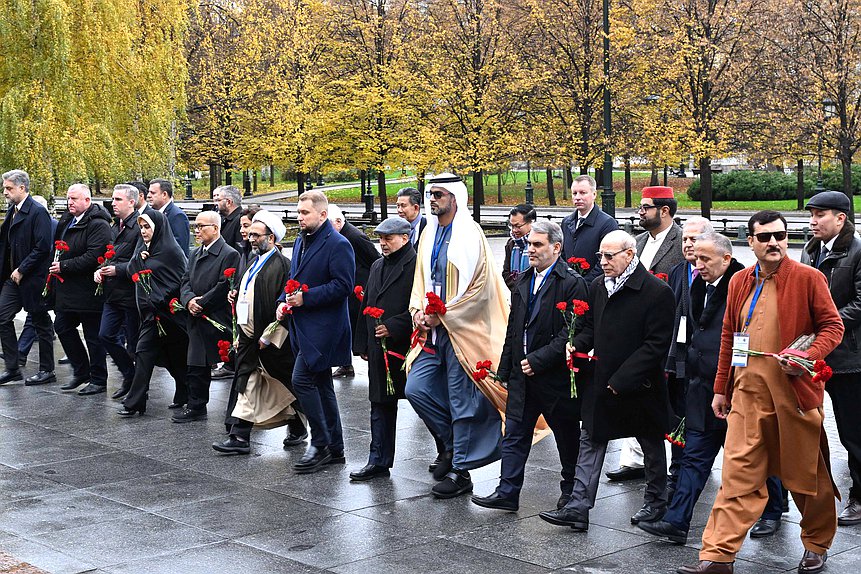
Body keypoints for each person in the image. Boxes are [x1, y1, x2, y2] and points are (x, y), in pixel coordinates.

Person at [677, 210, 844, 574]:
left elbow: (833, 326)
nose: (774, 243)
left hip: (793, 395)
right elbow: (728, 337)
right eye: (765, 237)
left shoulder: (808, 278)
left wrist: (806, 356)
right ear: (749, 242)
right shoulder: (738, 281)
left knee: (806, 477)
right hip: (746, 395)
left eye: (780, 236)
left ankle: (816, 544)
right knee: (737, 477)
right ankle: (718, 556)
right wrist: (721, 388)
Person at [539, 230, 674, 531]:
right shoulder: (599, 285)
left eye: (609, 256)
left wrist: (622, 379)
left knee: (650, 445)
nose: (603, 261)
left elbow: (655, 345)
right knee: (591, 439)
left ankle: (655, 503)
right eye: (600, 255)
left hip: (638, 385)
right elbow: (591, 328)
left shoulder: (656, 291)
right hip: (603, 381)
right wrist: (577, 344)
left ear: (629, 254)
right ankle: (577, 506)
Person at [404, 173, 509, 499]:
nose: (432, 199)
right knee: (416, 389)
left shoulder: (469, 233)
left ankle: (461, 471)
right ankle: (451, 447)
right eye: (430, 194)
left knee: (462, 402)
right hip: (430, 334)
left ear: (454, 197)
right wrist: (419, 311)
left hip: (462, 333)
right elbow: (421, 280)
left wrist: (445, 314)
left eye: (438, 194)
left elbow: (479, 288)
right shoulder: (428, 233)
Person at [471, 220, 587, 511]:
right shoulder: (523, 280)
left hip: (554, 376)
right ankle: (507, 491)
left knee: (566, 435)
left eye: (538, 244)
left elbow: (574, 332)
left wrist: (539, 360)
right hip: (523, 376)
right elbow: (515, 328)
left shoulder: (571, 282)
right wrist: (507, 368)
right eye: (529, 244)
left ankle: (570, 490)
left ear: (556, 248)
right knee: (515, 433)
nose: (530, 249)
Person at [637, 232, 744, 544]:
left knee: (754, 460)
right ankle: (677, 522)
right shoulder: (698, 284)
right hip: (700, 388)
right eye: (695, 258)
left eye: (705, 259)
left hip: (732, 390)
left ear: (726, 258)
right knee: (694, 456)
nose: (697, 265)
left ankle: (774, 508)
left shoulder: (741, 285)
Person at [213, 210, 306, 454]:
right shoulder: (253, 262)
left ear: (272, 238)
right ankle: (242, 435)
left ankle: (245, 435)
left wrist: (269, 337)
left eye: (256, 235)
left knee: (276, 384)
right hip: (248, 336)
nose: (250, 238)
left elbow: (284, 306)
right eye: (250, 234)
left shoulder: (283, 266)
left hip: (267, 340)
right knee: (251, 383)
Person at [609, 185, 684, 482]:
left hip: (667, 329)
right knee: (633, 391)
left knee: (666, 397)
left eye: (645, 207)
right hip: (633, 328)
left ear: (664, 211)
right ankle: (634, 459)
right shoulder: (637, 242)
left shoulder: (681, 242)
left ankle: (676, 462)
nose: (640, 212)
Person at [276, 191, 354, 473]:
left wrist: (306, 299)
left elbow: (344, 286)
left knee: (302, 379)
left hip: (324, 329)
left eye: (305, 213)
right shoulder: (300, 241)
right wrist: (281, 303)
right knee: (321, 385)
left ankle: (319, 443)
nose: (300, 217)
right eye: (298, 212)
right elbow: (293, 279)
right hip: (302, 326)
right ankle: (335, 448)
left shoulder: (338, 244)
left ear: (322, 214)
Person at [800, 191, 861, 527]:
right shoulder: (811, 250)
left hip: (850, 357)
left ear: (840, 218)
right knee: (807, 423)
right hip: (814, 354)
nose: (812, 221)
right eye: (811, 214)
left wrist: (827, 325)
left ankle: (859, 497)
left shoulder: (858, 251)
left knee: (853, 431)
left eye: (820, 214)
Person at [350, 217, 417, 480]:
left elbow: (418, 304)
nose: (383, 243)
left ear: (405, 237)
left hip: (406, 347)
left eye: (389, 238)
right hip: (379, 347)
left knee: (422, 401)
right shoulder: (377, 265)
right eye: (380, 238)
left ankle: (446, 455)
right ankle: (378, 460)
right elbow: (366, 304)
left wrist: (395, 325)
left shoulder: (416, 265)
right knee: (379, 403)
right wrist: (362, 343)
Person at [118, 211, 189, 416]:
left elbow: (179, 280)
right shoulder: (144, 248)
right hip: (151, 316)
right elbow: (132, 270)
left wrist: (160, 298)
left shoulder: (170, 251)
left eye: (147, 227)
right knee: (151, 354)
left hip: (168, 315)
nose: (144, 231)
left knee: (162, 355)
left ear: (158, 228)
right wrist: (140, 261)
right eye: (141, 227)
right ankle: (138, 401)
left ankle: (137, 401)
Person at [174, 211, 240, 423]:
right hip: (196, 317)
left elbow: (224, 285)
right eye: (196, 227)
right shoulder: (194, 253)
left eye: (201, 226)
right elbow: (185, 280)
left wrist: (201, 303)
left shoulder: (229, 253)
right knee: (196, 363)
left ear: (216, 228)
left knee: (231, 360)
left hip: (216, 317)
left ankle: (242, 409)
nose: (197, 231)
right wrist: (189, 300)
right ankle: (196, 405)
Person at [665, 217, 713, 495]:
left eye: (694, 239)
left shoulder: (723, 272)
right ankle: (678, 474)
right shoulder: (678, 271)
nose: (688, 244)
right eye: (684, 239)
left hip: (706, 364)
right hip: (679, 360)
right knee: (678, 418)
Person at [52, 184, 112, 395]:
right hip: (67, 289)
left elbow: (94, 255)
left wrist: (65, 266)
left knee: (93, 335)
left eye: (74, 199)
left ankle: (98, 378)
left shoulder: (98, 224)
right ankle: (81, 371)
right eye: (68, 198)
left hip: (88, 289)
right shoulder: (68, 219)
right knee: (62, 326)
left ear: (87, 201)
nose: (70, 202)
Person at [0, 170, 55, 386]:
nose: (5, 192)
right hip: (13, 279)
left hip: (32, 278)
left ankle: (47, 370)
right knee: (3, 318)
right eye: (5, 188)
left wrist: (22, 269)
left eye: (9, 188)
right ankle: (13, 368)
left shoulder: (37, 212)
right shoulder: (13, 209)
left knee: (41, 323)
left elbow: (42, 247)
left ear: (22, 188)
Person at [94, 184, 141, 399]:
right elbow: (108, 255)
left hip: (131, 294)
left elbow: (140, 260)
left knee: (134, 343)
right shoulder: (115, 226)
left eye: (118, 199)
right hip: (113, 294)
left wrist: (117, 269)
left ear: (131, 202)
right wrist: (100, 269)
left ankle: (138, 388)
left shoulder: (139, 226)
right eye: (113, 199)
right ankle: (128, 373)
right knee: (105, 335)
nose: (113, 203)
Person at [327, 204, 380, 378]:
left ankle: (367, 359)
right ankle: (346, 364)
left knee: (357, 327)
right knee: (345, 327)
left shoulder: (355, 237)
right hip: (347, 291)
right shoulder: (336, 235)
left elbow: (375, 260)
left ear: (338, 221)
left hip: (359, 292)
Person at [13, 194, 57, 371]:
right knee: (36, 317)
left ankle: (22, 354)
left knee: (38, 317)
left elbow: (45, 249)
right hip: (37, 276)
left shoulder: (50, 224)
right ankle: (20, 353)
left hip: (45, 276)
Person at [561, 174, 619, 283]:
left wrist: (584, 283)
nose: (577, 197)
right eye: (574, 193)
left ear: (594, 194)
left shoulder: (607, 223)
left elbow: (607, 260)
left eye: (583, 193)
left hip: (595, 286)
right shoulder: (566, 222)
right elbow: (563, 255)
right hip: (569, 284)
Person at [148, 178, 190, 257]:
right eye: (149, 192)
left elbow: (180, 248)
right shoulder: (154, 214)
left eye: (152, 193)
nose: (148, 195)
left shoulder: (177, 216)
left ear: (164, 194)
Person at [501, 204, 535, 289]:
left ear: (531, 222)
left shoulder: (539, 242)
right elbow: (506, 272)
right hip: (516, 293)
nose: (514, 230)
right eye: (512, 226)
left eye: (518, 226)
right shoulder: (511, 243)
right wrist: (517, 289)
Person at [213, 184, 243, 251]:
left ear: (228, 202)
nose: (216, 204)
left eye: (218, 200)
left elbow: (239, 251)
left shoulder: (241, 221)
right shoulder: (225, 219)